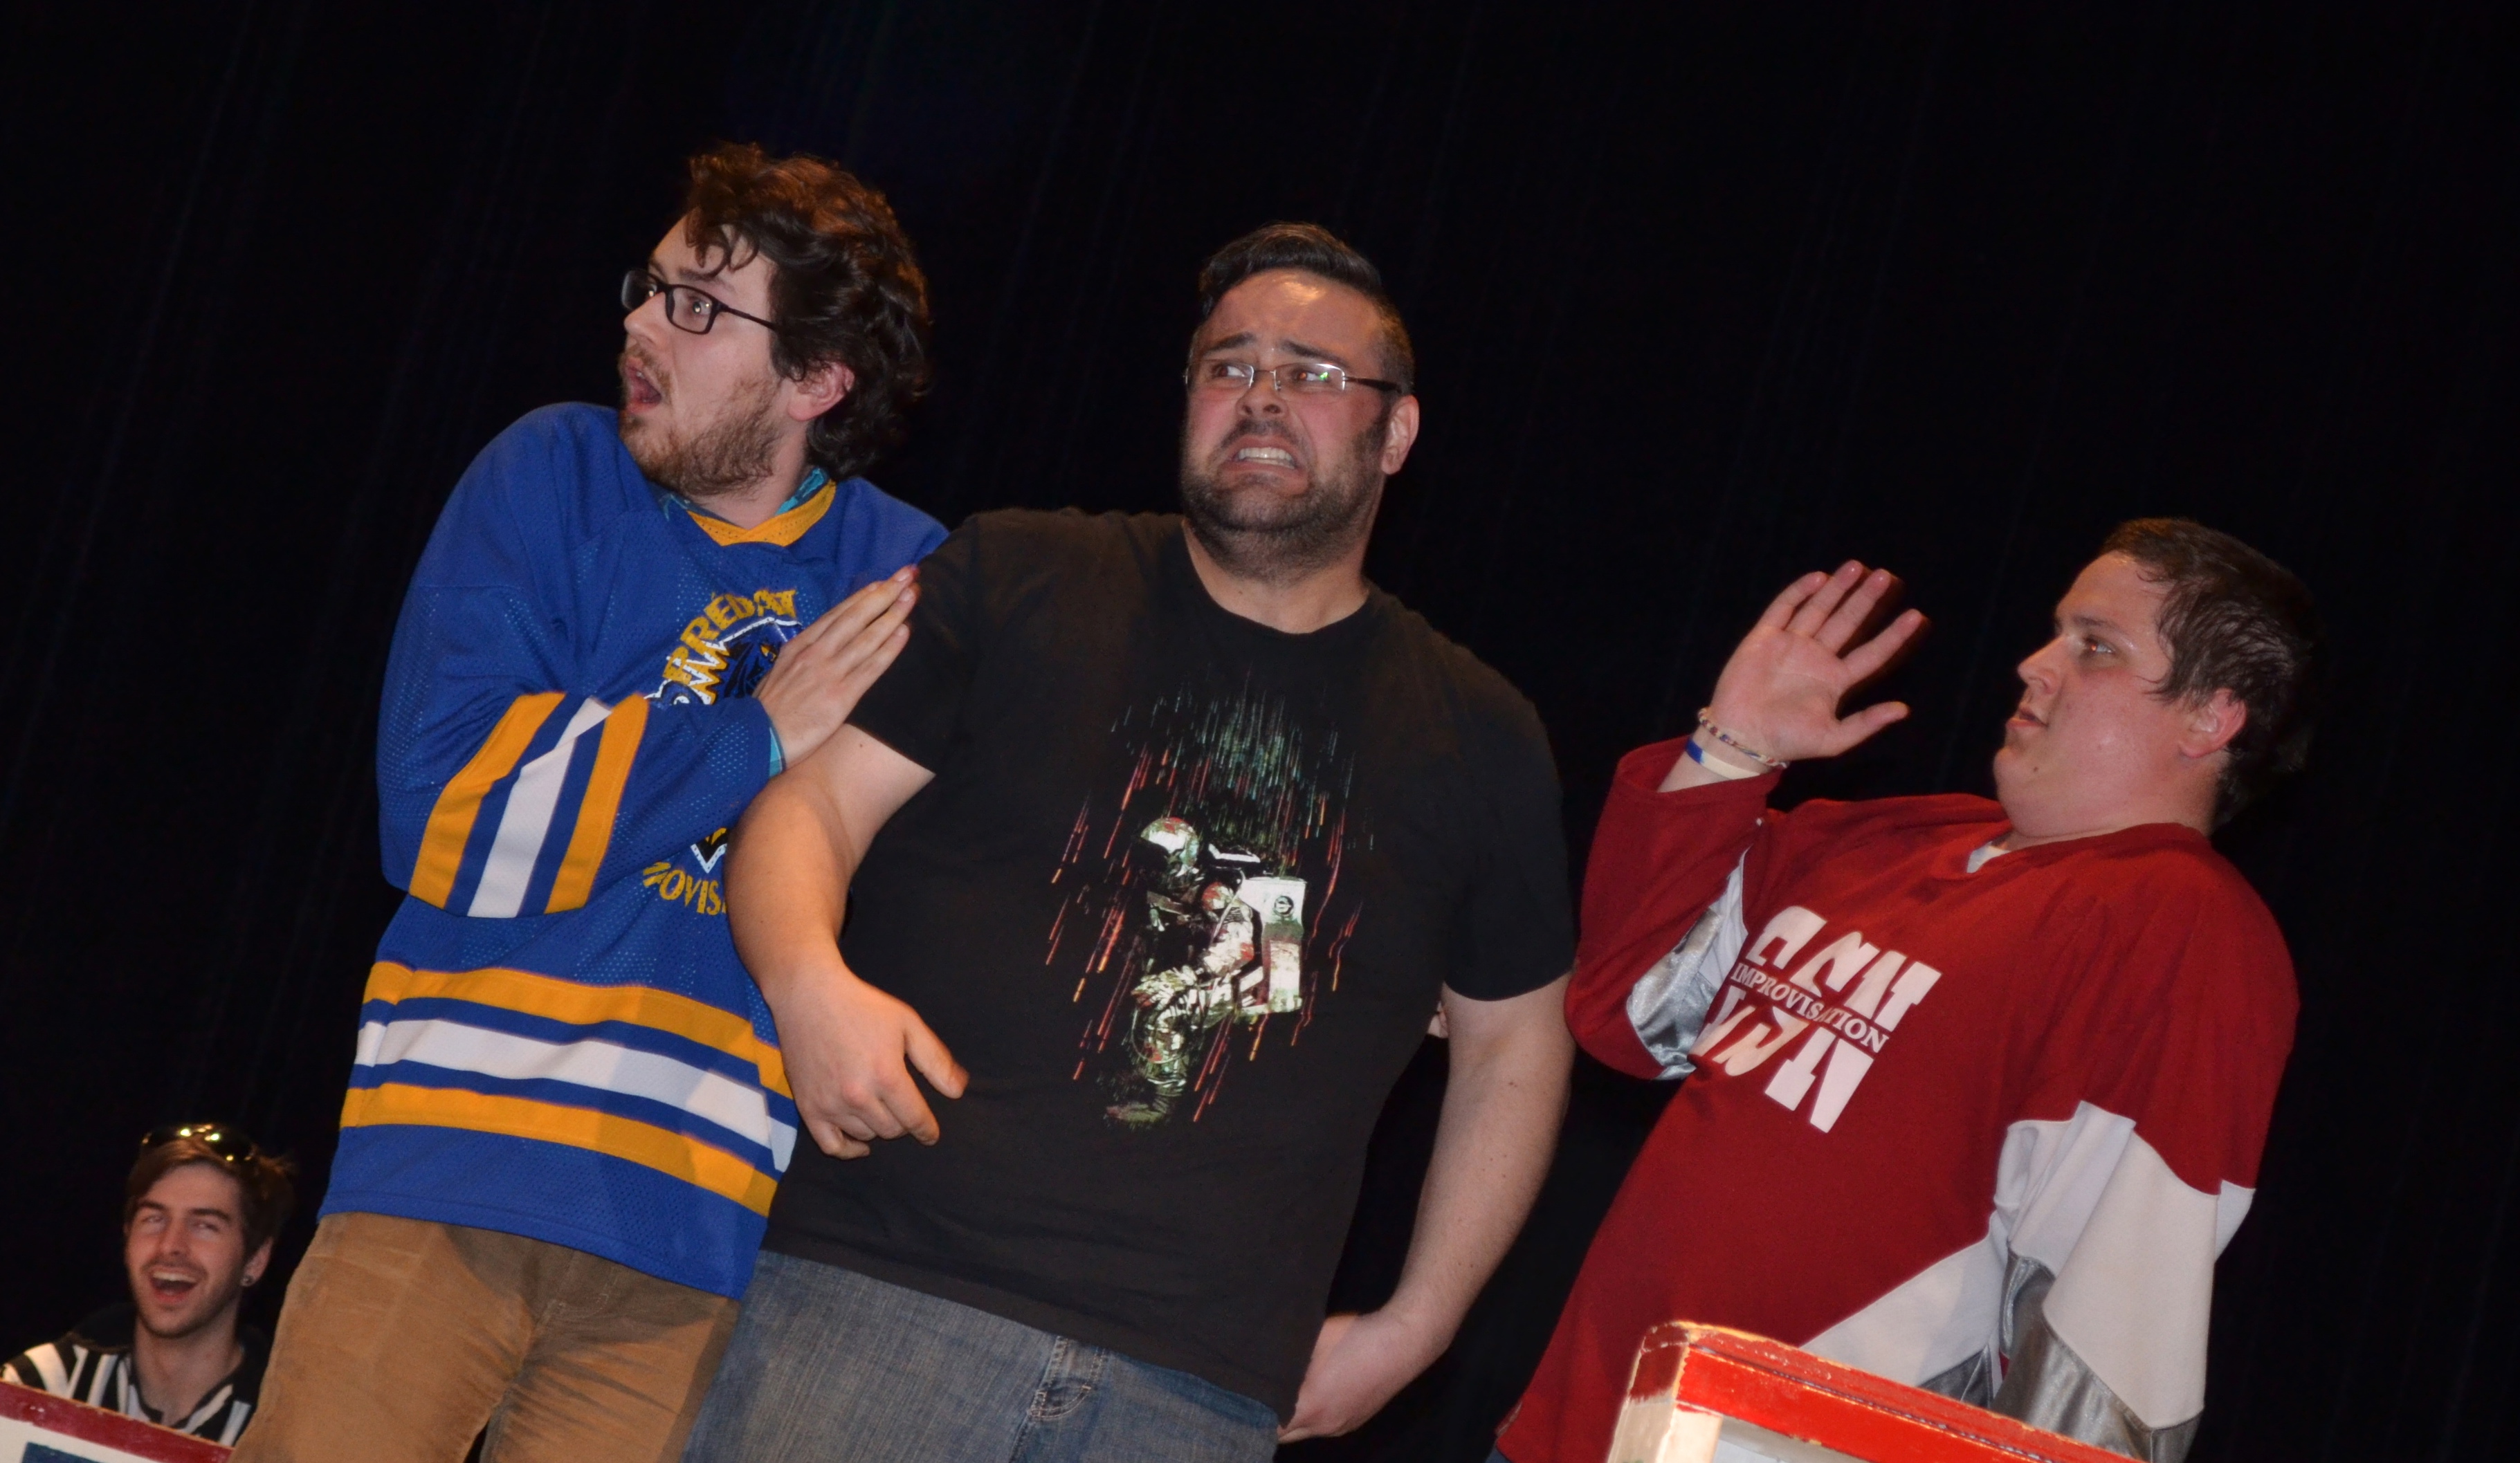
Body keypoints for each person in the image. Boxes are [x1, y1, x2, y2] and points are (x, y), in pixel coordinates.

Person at [683, 223, 1578, 1462]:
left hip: (1198, 1390)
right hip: (883, 1297)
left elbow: (1515, 1044)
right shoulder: (1023, 573)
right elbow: (810, 809)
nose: (1261, 396)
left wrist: (1417, 1325)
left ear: (1397, 431)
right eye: (1229, 364)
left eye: (1313, 373)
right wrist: (806, 982)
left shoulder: (1480, 736)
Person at [236, 145, 946, 1463]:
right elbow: (445, 811)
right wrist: (756, 734)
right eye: (649, 287)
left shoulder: (906, 578)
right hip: (444, 1167)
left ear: (815, 380)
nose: (638, 325)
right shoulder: (549, 473)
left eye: (696, 306)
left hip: (698, 1242)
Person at [1495, 521, 2319, 1463]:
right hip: (1575, 1425)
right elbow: (1633, 1010)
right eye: (2056, 632)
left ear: (2211, 718)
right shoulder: (1891, 840)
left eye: (2095, 647)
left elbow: (2111, 1330)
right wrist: (1732, 748)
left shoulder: (2179, 924)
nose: (2035, 664)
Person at [6, 1123, 295, 1446]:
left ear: (255, 1259)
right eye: (154, 1219)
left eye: (204, 1226)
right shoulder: (38, 1388)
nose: (170, 1246)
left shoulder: (286, 1429)